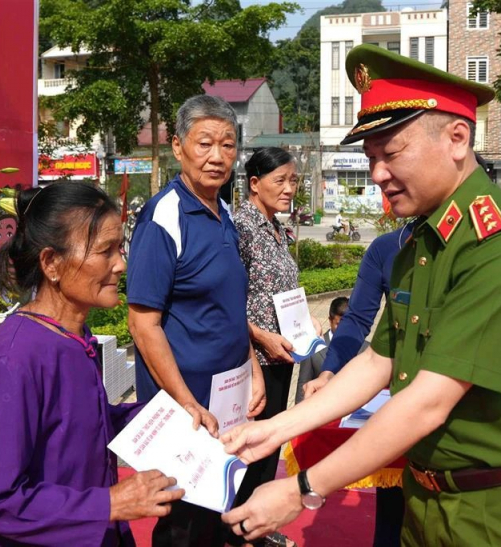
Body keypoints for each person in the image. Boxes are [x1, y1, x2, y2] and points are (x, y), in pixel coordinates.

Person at [221, 44, 501, 546]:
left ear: (457, 139)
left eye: (390, 154)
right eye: (371, 159)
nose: (376, 175)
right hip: (425, 498)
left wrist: (302, 490)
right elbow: (379, 360)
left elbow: (428, 402)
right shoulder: (422, 239)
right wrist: (277, 428)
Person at [0, 183, 183, 546]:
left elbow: (86, 424)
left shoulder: (72, 336)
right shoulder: (13, 360)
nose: (121, 264)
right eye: (105, 251)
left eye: (120, 248)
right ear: (51, 263)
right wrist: (110, 503)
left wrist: (173, 416)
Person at [126, 94, 266, 547]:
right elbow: (142, 324)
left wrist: (252, 368)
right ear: (178, 146)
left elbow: (229, 305)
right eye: (205, 143)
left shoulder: (223, 212)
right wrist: (186, 403)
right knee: (183, 526)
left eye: (228, 144)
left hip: (226, 401)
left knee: (216, 517)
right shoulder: (163, 217)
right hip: (185, 410)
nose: (217, 156)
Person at [299, 222, 414, 547]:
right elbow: (359, 319)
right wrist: (328, 373)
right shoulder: (387, 247)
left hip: (455, 402)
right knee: (392, 505)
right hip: (399, 393)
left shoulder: (477, 241)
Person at [231, 147, 300, 547]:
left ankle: (255, 523)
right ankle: (241, 525)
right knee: (252, 444)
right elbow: (226, 299)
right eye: (281, 181)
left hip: (282, 356)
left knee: (270, 441)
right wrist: (260, 336)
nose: (289, 189)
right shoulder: (241, 228)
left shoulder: (277, 228)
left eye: (293, 181)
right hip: (253, 359)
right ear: (254, 184)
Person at [296, 296, 355, 405]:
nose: (343, 329)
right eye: (338, 324)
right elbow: (303, 384)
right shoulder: (313, 348)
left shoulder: (365, 348)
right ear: (330, 320)